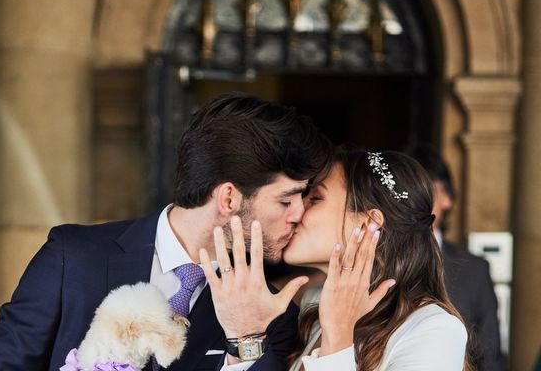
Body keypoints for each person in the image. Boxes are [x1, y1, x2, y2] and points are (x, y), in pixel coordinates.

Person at [0, 93, 332, 370]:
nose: (299, 214)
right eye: (287, 201)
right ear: (228, 198)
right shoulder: (72, 257)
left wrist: (246, 339)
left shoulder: (271, 313)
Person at [201, 149, 472, 370]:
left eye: (315, 198)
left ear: (369, 224)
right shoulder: (313, 306)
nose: (296, 211)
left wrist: (340, 335)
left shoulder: (435, 329)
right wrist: (245, 338)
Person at [408, 145, 504, 371]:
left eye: (426, 186)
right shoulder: (377, 259)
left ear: (447, 198)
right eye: (409, 187)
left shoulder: (475, 270)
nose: (416, 197)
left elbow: (490, 356)